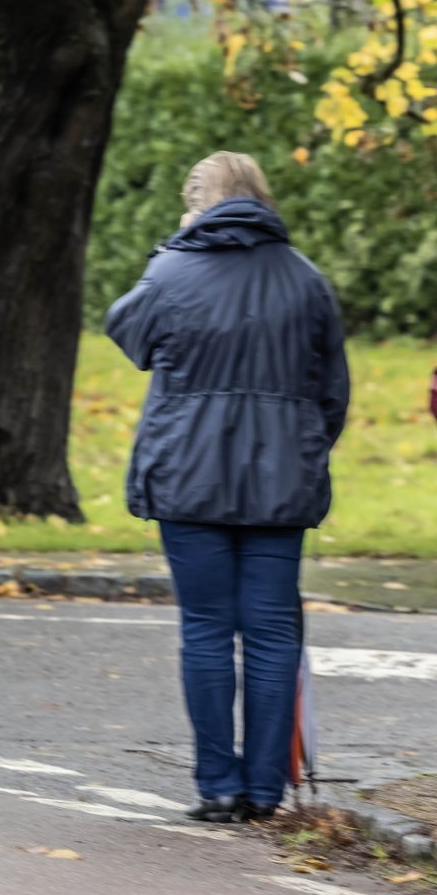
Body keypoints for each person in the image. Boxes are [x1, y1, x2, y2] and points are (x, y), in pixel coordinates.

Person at [107, 152, 350, 824]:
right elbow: (333, 395)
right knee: (272, 633)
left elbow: (127, 331)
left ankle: (216, 784)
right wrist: (297, 452)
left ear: (199, 203)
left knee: (207, 628)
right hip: (280, 481)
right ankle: (265, 791)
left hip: (188, 475)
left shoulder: (172, 269)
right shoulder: (307, 282)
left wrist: (177, 244)